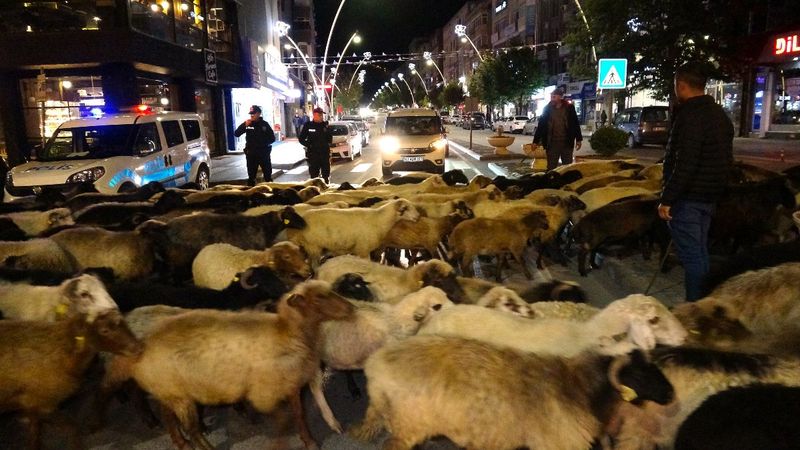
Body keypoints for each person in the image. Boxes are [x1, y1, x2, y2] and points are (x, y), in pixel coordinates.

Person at [658, 62, 734, 301]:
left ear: (681, 85)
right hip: (709, 196)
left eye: (675, 86)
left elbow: (685, 163)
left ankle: (695, 310)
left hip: (688, 198)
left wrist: (667, 199)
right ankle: (704, 302)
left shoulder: (690, 116)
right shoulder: (719, 114)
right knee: (700, 252)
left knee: (692, 257)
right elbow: (725, 158)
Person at [533, 87, 582, 170]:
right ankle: (551, 182)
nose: (552, 99)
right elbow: (541, 126)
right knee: (551, 167)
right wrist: (535, 141)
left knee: (567, 167)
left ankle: (565, 183)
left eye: (554, 96)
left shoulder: (569, 108)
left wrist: (579, 139)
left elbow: (575, 124)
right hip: (552, 143)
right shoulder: (547, 109)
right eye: (551, 96)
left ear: (560, 97)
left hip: (567, 142)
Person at [234, 105, 276, 186]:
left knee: (267, 176)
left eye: (254, 113)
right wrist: (244, 125)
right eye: (251, 114)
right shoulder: (248, 124)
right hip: (251, 154)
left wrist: (262, 144)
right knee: (251, 177)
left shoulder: (264, 125)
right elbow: (236, 134)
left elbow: (272, 138)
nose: (252, 115)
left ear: (259, 113)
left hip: (263, 154)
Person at [298, 107, 332, 183]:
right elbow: (301, 139)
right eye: (320, 115)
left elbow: (330, 139)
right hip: (313, 154)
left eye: (322, 115)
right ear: (314, 115)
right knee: (314, 176)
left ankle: (326, 189)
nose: (321, 117)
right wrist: (309, 145)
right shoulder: (308, 125)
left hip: (324, 154)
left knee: (326, 175)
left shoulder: (325, 125)